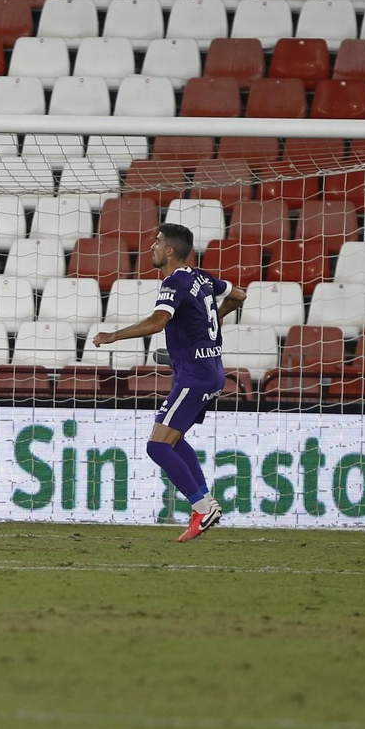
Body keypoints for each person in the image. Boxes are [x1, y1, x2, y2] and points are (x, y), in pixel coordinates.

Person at [92, 223, 247, 542]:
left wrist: (113, 336)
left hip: (195, 376)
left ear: (170, 250)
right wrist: (213, 321)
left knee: (157, 446)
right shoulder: (201, 277)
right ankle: (207, 503)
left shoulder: (174, 282)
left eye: (158, 242)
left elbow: (157, 322)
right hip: (210, 372)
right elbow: (238, 295)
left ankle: (202, 508)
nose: (153, 246)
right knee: (173, 441)